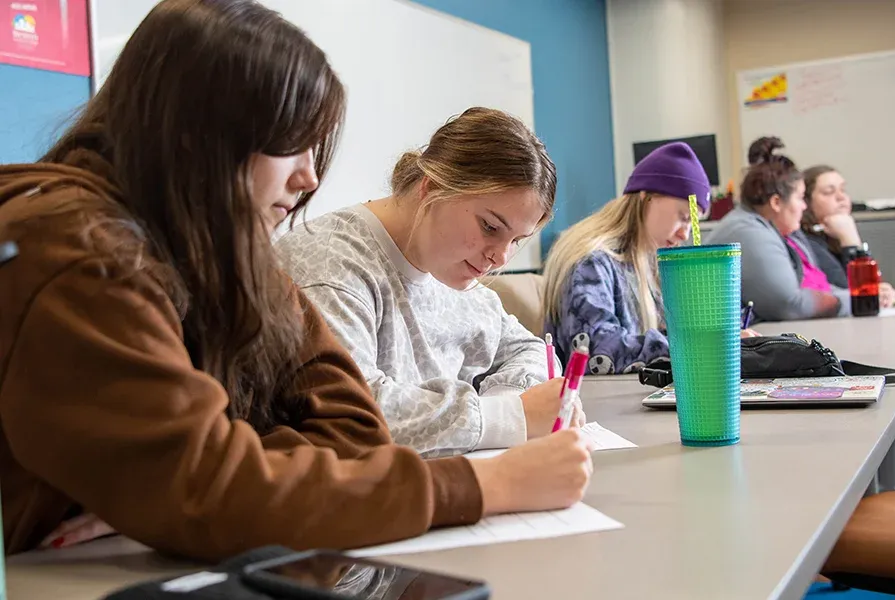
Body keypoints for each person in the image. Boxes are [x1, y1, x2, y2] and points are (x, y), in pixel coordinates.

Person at [0, 0, 593, 560]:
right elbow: (213, 489)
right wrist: (483, 484)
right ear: (199, 133)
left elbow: (354, 431)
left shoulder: (211, 244)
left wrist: (190, 484)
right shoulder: (78, 255)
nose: (310, 176)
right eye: (292, 143)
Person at [276, 107, 583, 458]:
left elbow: (528, 350)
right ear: (432, 187)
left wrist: (509, 398)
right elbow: (349, 413)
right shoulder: (329, 263)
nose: (500, 258)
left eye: (516, 240)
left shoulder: (454, 274)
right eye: (490, 227)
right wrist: (508, 417)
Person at [543, 142, 750, 375]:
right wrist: (701, 344)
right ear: (647, 196)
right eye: (683, 217)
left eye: (692, 224)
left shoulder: (647, 263)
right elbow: (595, 349)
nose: (685, 234)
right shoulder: (591, 262)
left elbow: (667, 331)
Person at [706, 137, 849, 322]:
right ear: (776, 202)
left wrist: (858, 295)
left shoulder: (780, 232)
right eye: (799, 198)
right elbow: (789, 305)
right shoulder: (749, 233)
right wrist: (856, 301)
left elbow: (819, 289)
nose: (804, 207)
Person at [801, 165, 895, 307]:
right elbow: (851, 293)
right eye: (829, 192)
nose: (841, 197)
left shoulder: (835, 235)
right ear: (806, 203)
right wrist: (850, 240)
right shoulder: (807, 242)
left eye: (842, 189)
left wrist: (882, 291)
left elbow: (869, 286)